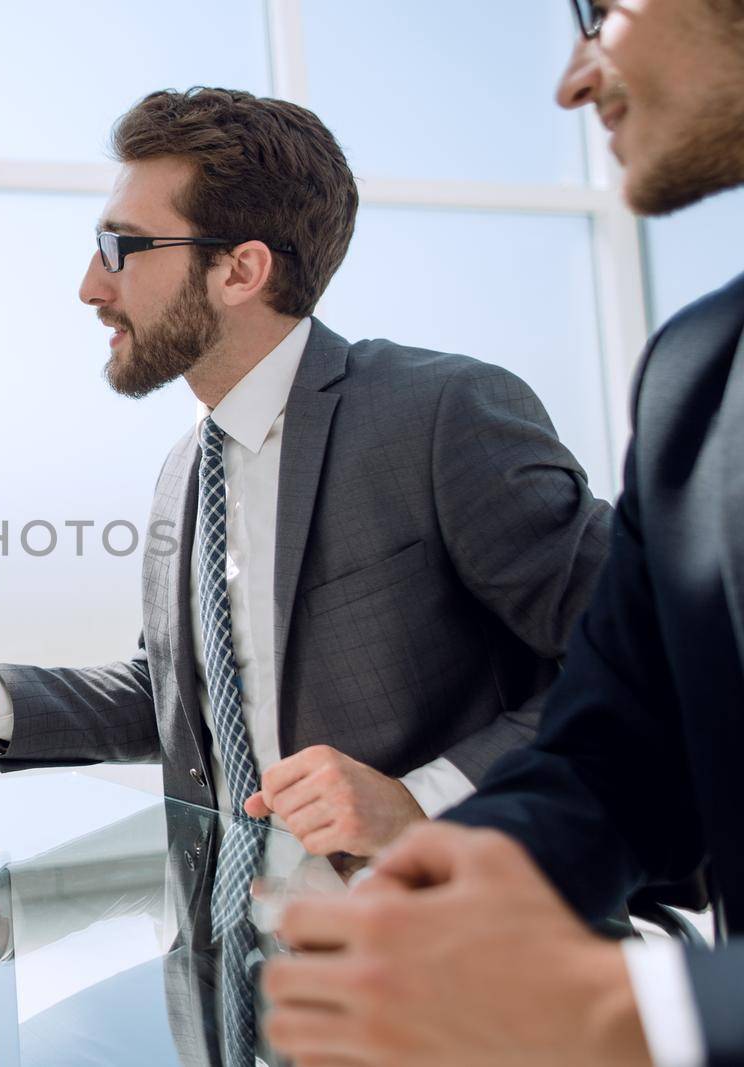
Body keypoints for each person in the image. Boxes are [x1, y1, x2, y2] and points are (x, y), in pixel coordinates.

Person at [0, 87, 612, 862]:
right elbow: (179, 695)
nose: (90, 285)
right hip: (237, 952)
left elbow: (633, 650)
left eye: (122, 248)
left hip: (446, 940)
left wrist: (423, 798)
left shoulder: (440, 413)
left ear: (240, 270)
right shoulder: (187, 469)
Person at [263, 2, 744, 1064]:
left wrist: (645, 1019)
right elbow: (617, 748)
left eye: (603, 10)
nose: (571, 82)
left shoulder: (437, 410)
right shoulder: (694, 380)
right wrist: (444, 891)